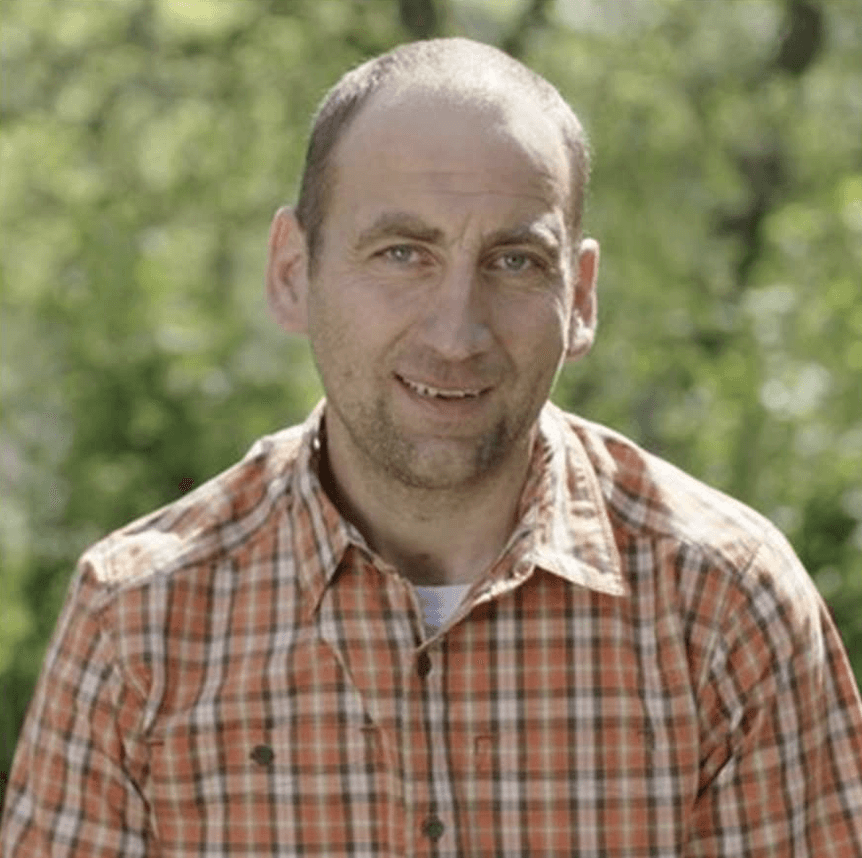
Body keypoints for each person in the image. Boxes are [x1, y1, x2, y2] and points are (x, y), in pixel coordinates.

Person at [2, 37, 861, 858]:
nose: (456, 334)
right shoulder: (139, 620)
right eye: (402, 253)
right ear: (294, 272)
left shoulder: (725, 606)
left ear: (580, 298)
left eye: (515, 262)